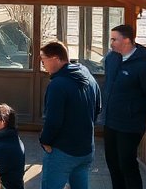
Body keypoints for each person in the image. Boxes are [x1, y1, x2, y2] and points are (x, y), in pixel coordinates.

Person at [101, 24, 146, 189]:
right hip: (110, 121)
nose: (111, 42)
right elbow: (108, 85)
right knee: (112, 163)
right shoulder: (111, 58)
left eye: (114, 39)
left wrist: (131, 108)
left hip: (130, 125)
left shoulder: (143, 65)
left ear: (126, 40)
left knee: (126, 164)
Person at [39, 41, 100, 189]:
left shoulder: (57, 85)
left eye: (43, 59)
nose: (42, 64)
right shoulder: (86, 74)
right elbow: (98, 107)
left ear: (55, 59)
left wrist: (45, 141)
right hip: (86, 149)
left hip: (62, 152)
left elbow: (53, 120)